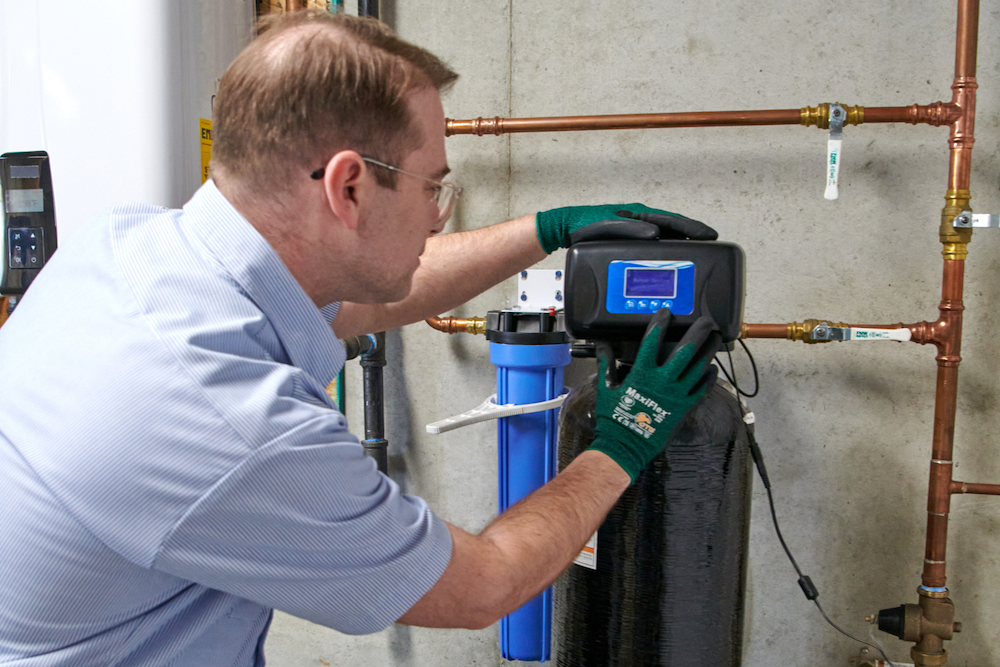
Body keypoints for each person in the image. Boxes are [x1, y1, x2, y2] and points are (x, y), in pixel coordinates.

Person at [0, 10, 719, 666]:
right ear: (347, 188)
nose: (437, 217)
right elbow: (485, 585)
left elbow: (367, 300)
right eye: (432, 186)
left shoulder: (128, 248)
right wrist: (624, 438)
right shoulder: (240, 425)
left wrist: (546, 231)